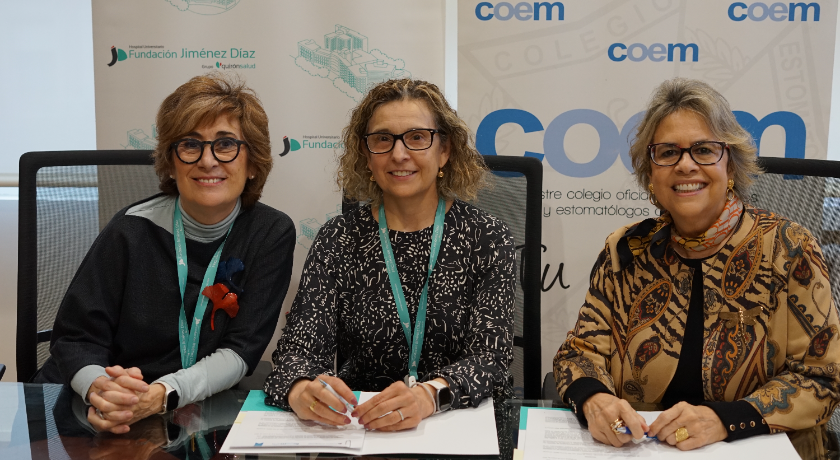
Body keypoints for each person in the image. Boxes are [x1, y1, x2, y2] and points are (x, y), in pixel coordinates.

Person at [553, 77, 840, 451]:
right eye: (668, 152)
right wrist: (595, 399)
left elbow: (824, 378)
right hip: (641, 450)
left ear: (731, 167)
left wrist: (724, 419)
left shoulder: (788, 248)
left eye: (704, 150)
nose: (685, 165)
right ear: (651, 174)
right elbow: (578, 353)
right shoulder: (627, 250)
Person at [35, 73, 296, 434]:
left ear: (252, 163)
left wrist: (162, 395)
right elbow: (76, 338)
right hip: (93, 409)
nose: (207, 161)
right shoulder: (129, 229)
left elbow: (241, 350)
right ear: (171, 163)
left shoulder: (270, 233)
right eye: (190, 145)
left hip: (188, 408)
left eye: (225, 144)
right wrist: (102, 390)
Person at [265, 78, 515, 431]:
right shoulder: (338, 239)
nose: (399, 154)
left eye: (417, 137)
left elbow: (491, 360)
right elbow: (297, 352)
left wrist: (428, 396)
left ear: (444, 150)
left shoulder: (487, 237)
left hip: (457, 426)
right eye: (383, 139)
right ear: (366, 154)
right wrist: (301, 389)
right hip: (360, 428)